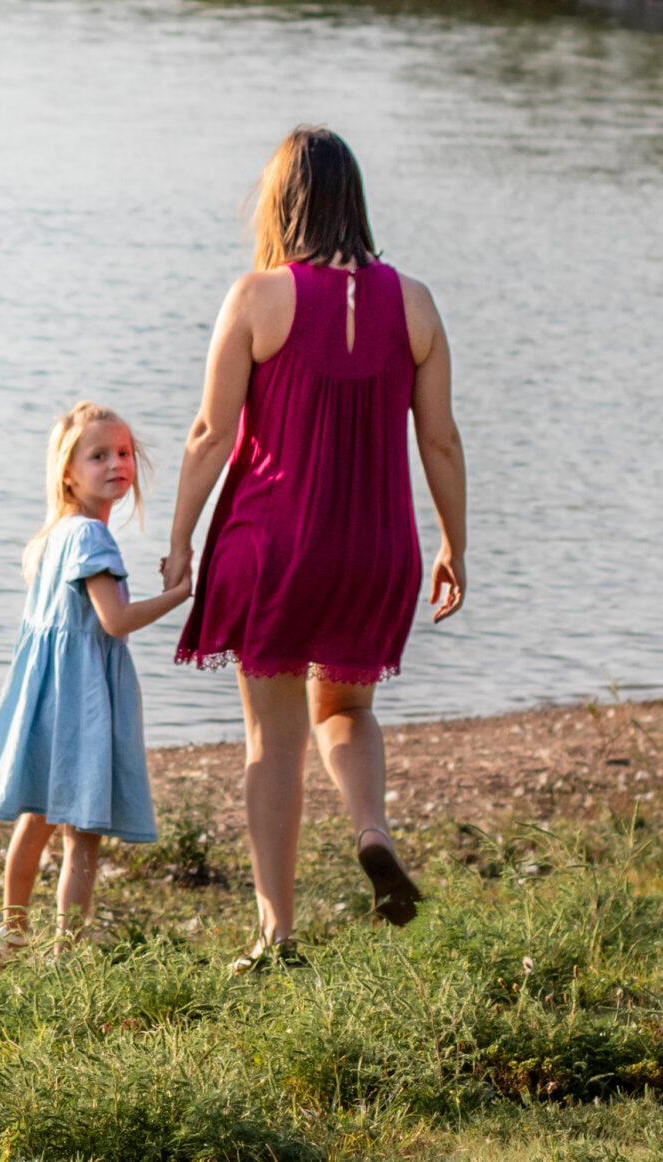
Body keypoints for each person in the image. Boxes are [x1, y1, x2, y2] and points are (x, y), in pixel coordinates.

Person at [162, 126, 468, 971]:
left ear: (280, 203)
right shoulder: (416, 303)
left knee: (273, 743)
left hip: (275, 545)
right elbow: (439, 440)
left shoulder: (257, 297)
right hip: (376, 549)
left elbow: (209, 435)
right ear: (354, 200)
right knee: (348, 710)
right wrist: (455, 543)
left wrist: (182, 539)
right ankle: (372, 830)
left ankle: (277, 935)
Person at [0, 404, 188, 962]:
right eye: (98, 456)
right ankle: (67, 950)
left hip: (45, 700)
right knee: (82, 834)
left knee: (37, 818)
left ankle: (11, 933)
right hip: (83, 702)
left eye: (123, 453)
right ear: (68, 472)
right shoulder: (92, 537)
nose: (116, 464)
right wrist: (181, 593)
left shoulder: (54, 536)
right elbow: (114, 621)